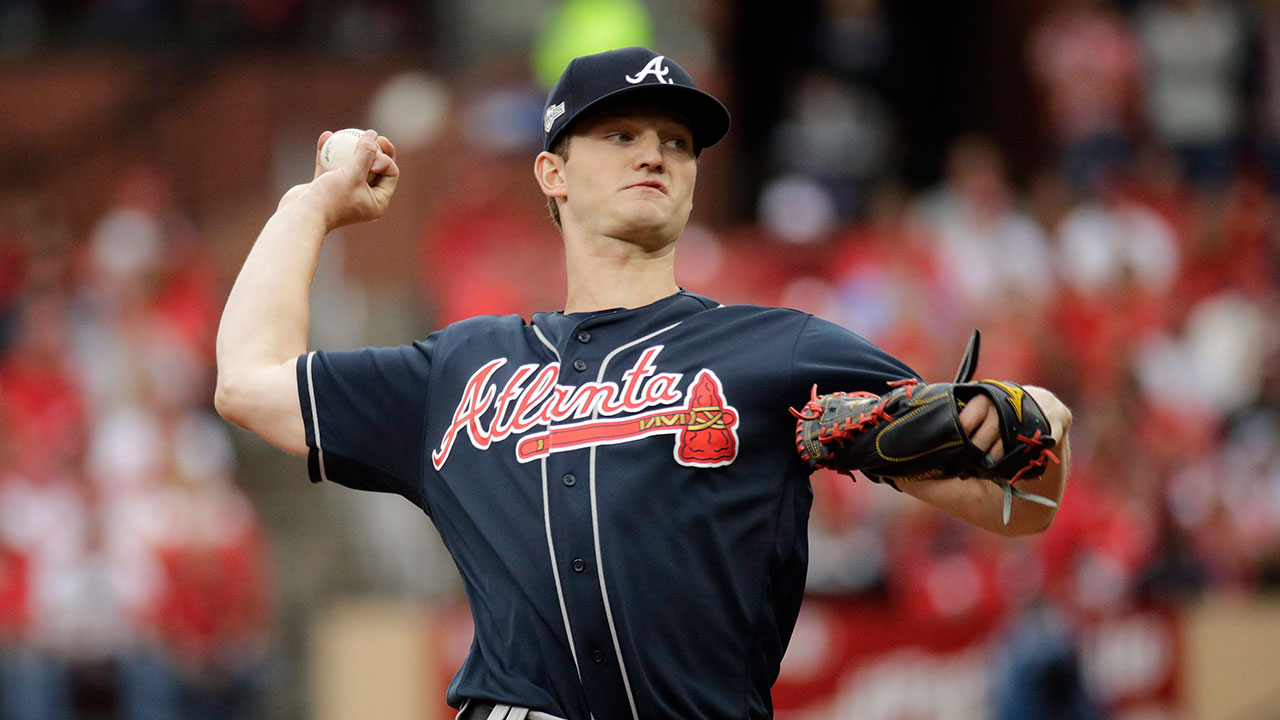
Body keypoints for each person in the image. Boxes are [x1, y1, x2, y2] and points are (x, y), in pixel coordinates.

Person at [215, 47, 1073, 720]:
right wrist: (310, 206)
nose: (655, 154)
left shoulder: (776, 350)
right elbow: (249, 384)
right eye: (620, 135)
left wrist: (1035, 421)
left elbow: (1019, 503)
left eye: (676, 142)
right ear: (552, 173)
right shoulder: (460, 369)